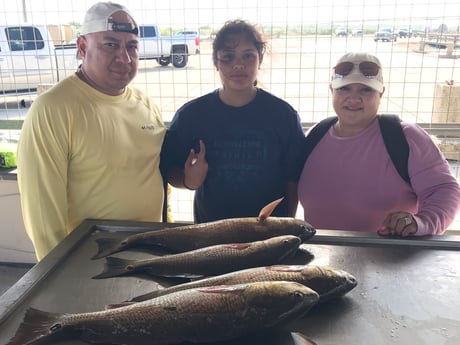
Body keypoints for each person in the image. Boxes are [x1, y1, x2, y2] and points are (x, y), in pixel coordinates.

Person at [17, 2, 166, 260]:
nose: (124, 58)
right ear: (83, 47)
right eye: (110, 45)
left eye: (131, 46)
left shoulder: (145, 103)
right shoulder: (54, 108)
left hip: (146, 252)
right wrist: (57, 276)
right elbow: (42, 213)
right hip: (88, 259)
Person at [298, 52, 460, 237]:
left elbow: (445, 190)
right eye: (344, 89)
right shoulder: (315, 136)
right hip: (322, 257)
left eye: (366, 90)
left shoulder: (405, 138)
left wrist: (422, 222)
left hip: (388, 259)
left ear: (381, 92)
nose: (354, 98)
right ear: (331, 90)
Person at [161, 19, 305, 223]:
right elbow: (170, 170)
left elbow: (293, 179)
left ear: (259, 61)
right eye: (228, 57)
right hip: (212, 233)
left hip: (267, 234)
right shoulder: (191, 115)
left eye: (248, 56)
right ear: (216, 63)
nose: (239, 64)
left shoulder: (284, 116)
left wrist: (287, 224)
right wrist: (188, 181)